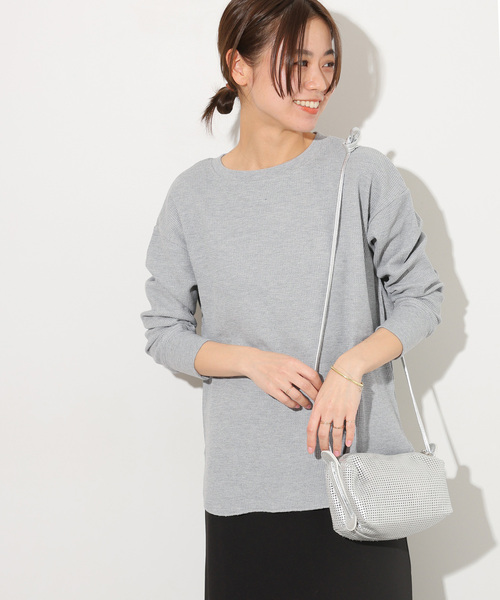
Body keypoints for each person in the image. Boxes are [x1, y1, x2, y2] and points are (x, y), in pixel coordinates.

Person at [140, 1, 443, 598]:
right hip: (245, 494)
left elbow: (421, 297)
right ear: (240, 67)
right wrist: (250, 361)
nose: (318, 82)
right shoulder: (193, 196)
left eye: (327, 63)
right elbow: (163, 331)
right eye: (298, 62)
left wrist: (350, 368)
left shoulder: (361, 174)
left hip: (360, 485)